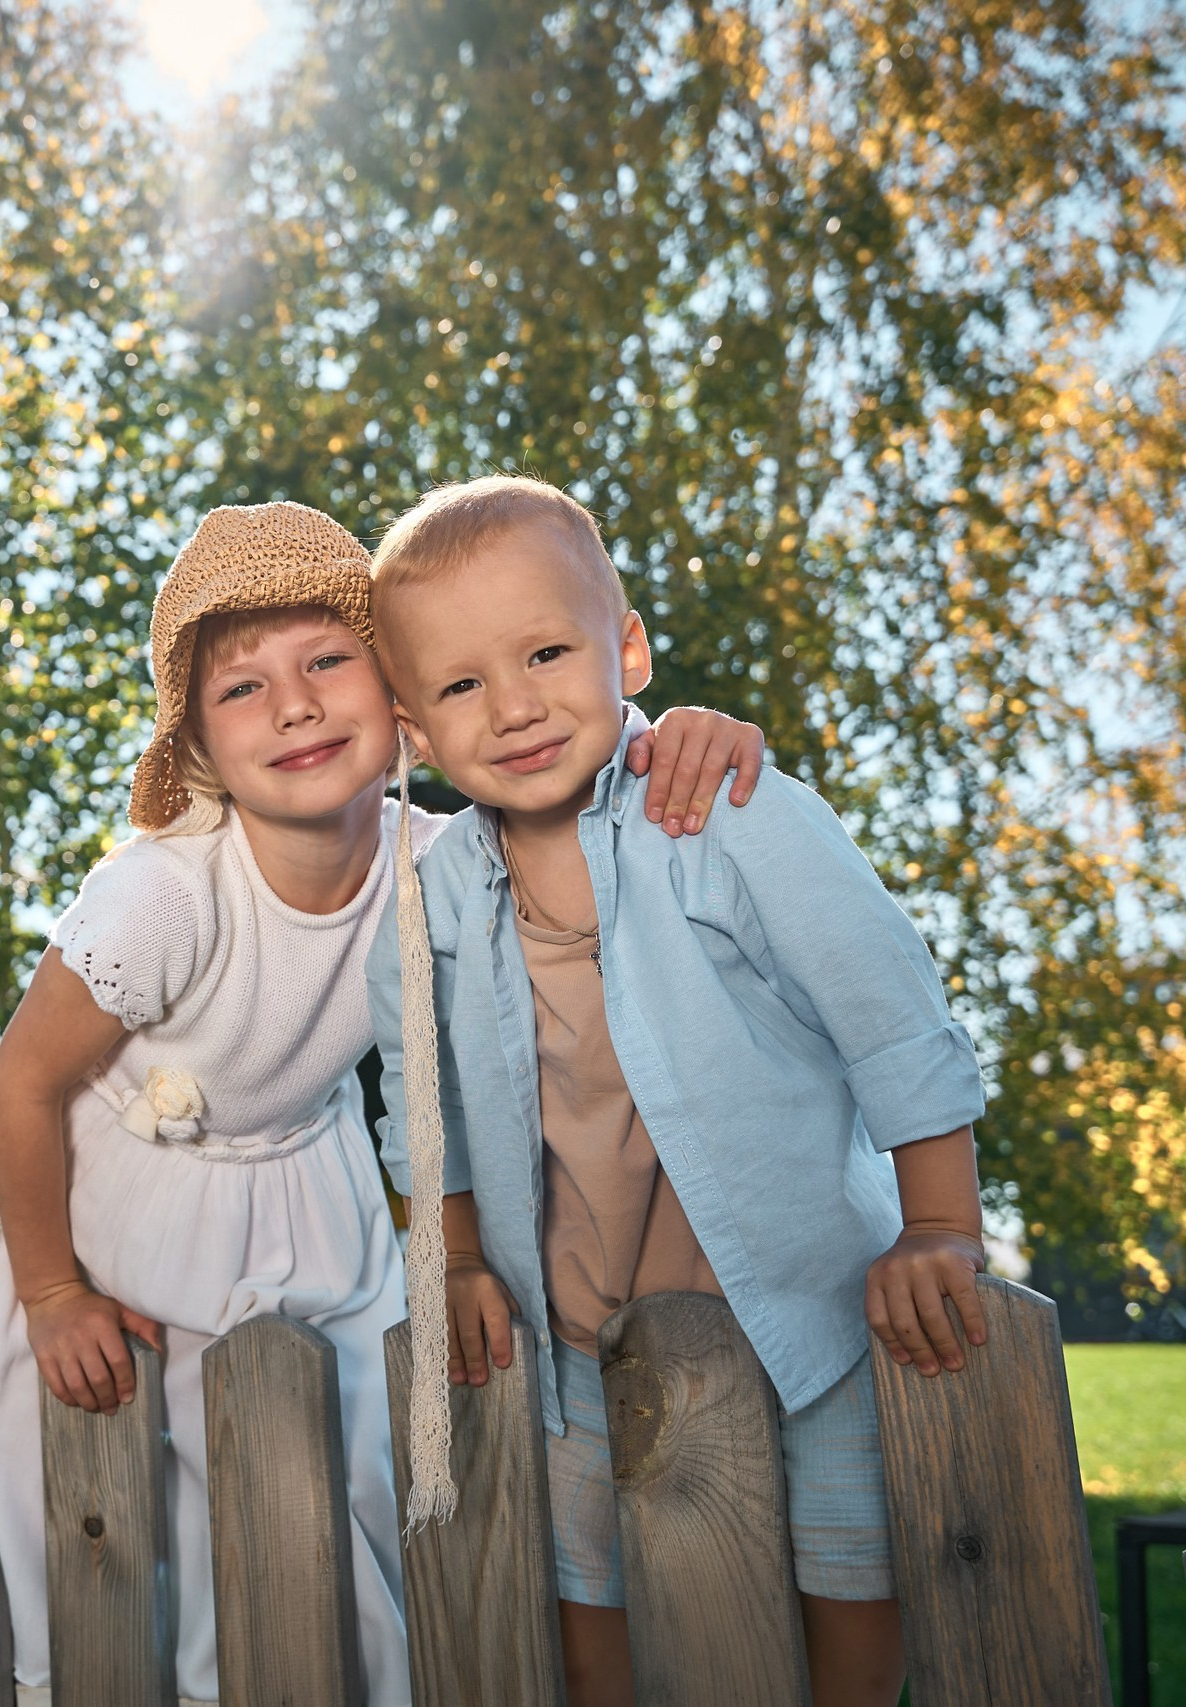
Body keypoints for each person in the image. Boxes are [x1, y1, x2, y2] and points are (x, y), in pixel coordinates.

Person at [0, 500, 769, 1705]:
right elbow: (20, 1082)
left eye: (327, 661)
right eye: (242, 689)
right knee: (78, 1491)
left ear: (399, 704)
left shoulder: (439, 858)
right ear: (200, 750)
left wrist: (679, 735)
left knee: (352, 1494)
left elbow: (584, 797)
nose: (293, 705)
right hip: (94, 1185)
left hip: (300, 1178)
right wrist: (54, 1290)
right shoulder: (166, 897)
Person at [364, 475, 992, 1707]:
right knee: (597, 1630)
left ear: (628, 648)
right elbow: (415, 1102)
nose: (515, 705)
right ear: (414, 733)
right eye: (460, 684)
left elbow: (889, 1012)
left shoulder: (719, 813)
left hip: (811, 1317)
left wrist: (938, 1226)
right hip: (578, 1342)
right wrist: (452, 1260)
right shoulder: (429, 901)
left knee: (846, 1614)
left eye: (546, 650)